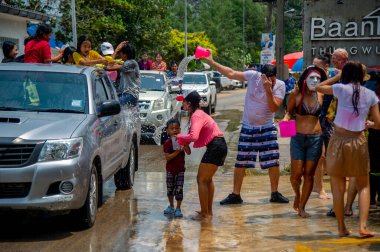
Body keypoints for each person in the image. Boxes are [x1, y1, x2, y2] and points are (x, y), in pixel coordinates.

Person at [204, 51, 289, 205]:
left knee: (273, 161)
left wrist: (268, 90)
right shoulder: (253, 76)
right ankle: (236, 194)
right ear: (260, 74)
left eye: (270, 78)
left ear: (275, 77)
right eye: (264, 77)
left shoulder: (280, 86)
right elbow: (230, 73)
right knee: (241, 161)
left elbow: (273, 108)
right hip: (248, 127)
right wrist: (212, 62)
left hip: (267, 127)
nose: (266, 80)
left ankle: (274, 193)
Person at [316, 61, 380, 238]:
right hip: (358, 140)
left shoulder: (340, 89)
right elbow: (378, 123)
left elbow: (318, 87)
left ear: (345, 75)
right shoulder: (370, 94)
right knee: (363, 185)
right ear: (362, 76)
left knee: (337, 187)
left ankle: (341, 228)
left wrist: (337, 77)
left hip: (337, 140)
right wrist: (370, 124)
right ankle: (363, 227)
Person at [282, 66, 327, 218]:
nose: (315, 81)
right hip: (297, 137)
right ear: (304, 79)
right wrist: (285, 120)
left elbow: (333, 84)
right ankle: (297, 195)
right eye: (312, 78)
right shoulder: (295, 94)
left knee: (309, 174)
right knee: (295, 175)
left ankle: (302, 207)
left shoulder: (321, 93)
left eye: (318, 78)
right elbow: (289, 112)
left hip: (316, 137)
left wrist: (339, 74)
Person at [176, 90, 228, 220]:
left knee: (201, 179)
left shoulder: (196, 115)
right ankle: (208, 212)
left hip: (216, 146)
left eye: (184, 103)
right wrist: (183, 139)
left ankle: (205, 214)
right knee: (207, 179)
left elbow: (194, 136)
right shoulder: (199, 113)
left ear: (189, 103)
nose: (183, 106)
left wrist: (179, 137)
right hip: (219, 145)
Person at [312, 53, 332, 200]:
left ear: (325, 66)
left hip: (328, 122)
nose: (313, 69)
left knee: (328, 156)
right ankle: (319, 188)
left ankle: (317, 186)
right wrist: (289, 130)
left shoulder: (333, 79)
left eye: (316, 66)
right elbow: (292, 107)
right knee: (320, 156)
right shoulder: (311, 80)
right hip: (312, 123)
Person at [163, 118, 191, 218]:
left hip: (180, 170)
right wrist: (178, 151)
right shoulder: (167, 143)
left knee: (179, 190)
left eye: (177, 128)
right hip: (170, 171)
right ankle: (171, 206)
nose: (174, 130)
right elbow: (168, 157)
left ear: (180, 129)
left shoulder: (182, 140)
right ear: (167, 130)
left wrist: (186, 144)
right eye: (172, 128)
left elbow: (188, 152)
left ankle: (178, 208)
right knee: (170, 189)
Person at [106, 41, 140, 107]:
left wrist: (116, 50)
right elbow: (109, 64)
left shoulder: (131, 63)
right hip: (124, 94)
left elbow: (108, 67)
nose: (119, 55)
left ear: (125, 54)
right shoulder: (125, 63)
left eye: (120, 53)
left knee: (111, 107)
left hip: (130, 94)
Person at [368, 75, 380, 209]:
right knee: (372, 168)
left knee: (373, 168)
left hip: (372, 134)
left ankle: (372, 199)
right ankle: (371, 199)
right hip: (371, 135)